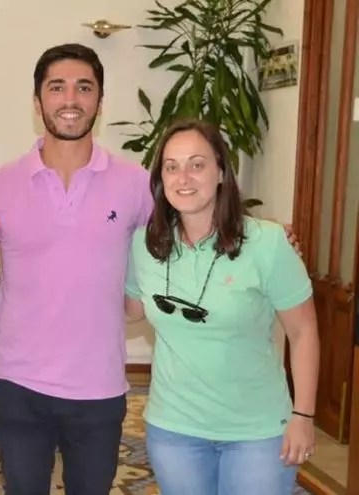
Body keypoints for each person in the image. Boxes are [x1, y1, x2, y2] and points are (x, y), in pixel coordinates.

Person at [0, 43, 301, 495]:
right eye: (57, 88)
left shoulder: (134, 183)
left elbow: (193, 213)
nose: (70, 99)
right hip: (17, 382)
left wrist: (261, 232)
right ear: (37, 102)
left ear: (100, 101)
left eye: (84, 88)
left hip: (99, 388)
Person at [124, 118, 318, 495]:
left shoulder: (267, 243)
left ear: (221, 173)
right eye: (171, 167)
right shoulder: (144, 245)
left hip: (258, 431)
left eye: (197, 165)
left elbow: (304, 332)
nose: (184, 178)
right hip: (174, 430)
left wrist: (303, 415)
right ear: (160, 180)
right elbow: (129, 310)